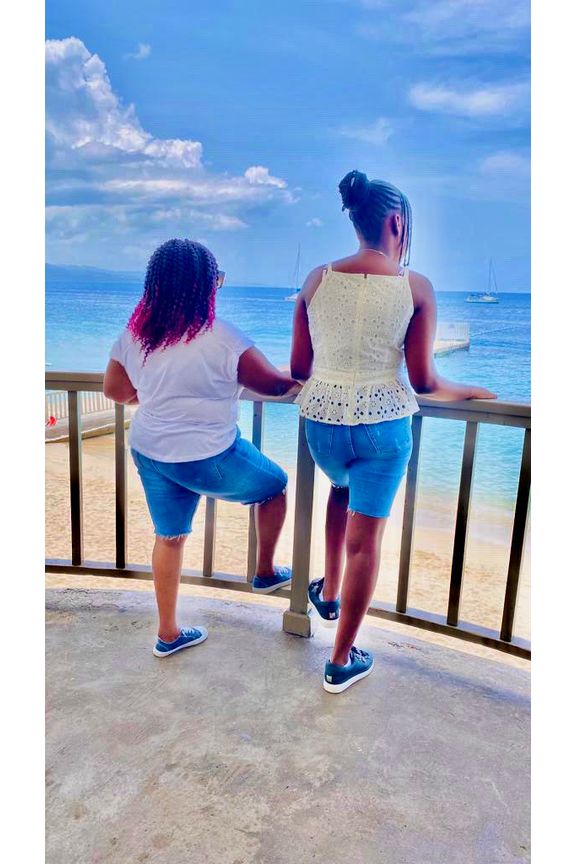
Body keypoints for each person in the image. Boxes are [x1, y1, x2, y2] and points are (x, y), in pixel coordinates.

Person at [291, 170, 496, 693]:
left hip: (323, 427)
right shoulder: (415, 286)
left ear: (356, 220)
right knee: (366, 544)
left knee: (340, 488)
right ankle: (340, 660)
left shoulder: (315, 279)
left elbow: (297, 369)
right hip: (382, 429)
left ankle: (328, 594)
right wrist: (472, 390)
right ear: (398, 223)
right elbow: (425, 382)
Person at [104, 238, 300, 658]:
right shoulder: (223, 338)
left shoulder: (135, 335)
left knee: (170, 536)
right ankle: (265, 571)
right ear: (205, 286)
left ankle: (168, 633)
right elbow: (274, 386)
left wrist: (155, 397)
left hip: (152, 452)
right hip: (208, 455)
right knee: (275, 486)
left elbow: (116, 391)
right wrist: (308, 379)